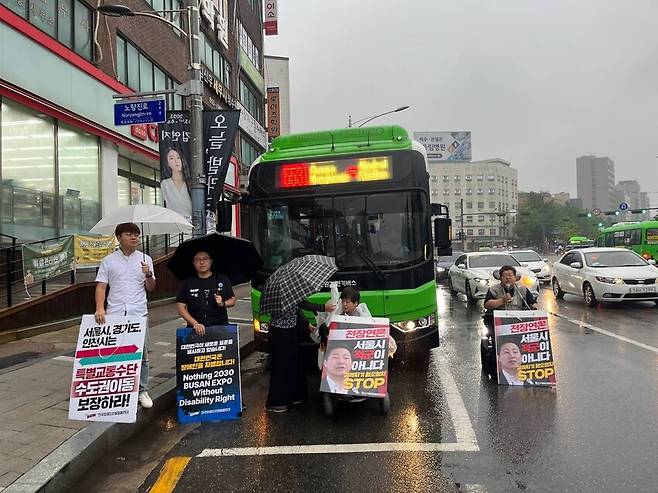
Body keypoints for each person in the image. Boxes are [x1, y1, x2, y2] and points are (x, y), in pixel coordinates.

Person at [94, 223, 156, 409]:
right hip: (115, 313)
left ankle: (142, 391)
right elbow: (101, 286)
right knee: (114, 354)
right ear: (119, 237)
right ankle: (117, 390)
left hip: (139, 313)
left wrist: (148, 274)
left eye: (137, 234)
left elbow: (151, 287)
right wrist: (99, 308)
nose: (134, 238)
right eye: (129, 234)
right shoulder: (109, 261)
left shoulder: (146, 259)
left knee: (142, 355)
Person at [266, 298, 335, 413]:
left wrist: (306, 324)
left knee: (291, 364)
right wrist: (323, 307)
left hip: (289, 331)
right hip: (280, 334)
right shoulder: (282, 288)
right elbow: (301, 304)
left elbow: (296, 309)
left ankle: (291, 397)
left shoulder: (284, 287)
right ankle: (279, 401)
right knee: (282, 366)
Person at [175, 250, 236, 336]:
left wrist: (222, 303)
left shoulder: (222, 279)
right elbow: (181, 308)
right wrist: (195, 324)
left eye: (205, 258)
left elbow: (233, 300)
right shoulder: (187, 282)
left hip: (220, 327)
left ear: (211, 261)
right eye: (197, 259)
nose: (202, 262)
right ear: (193, 263)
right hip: (195, 330)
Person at [160, 147, 192, 220]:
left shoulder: (190, 183)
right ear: (167, 163)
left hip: (191, 225)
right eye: (171, 158)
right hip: (173, 224)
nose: (176, 161)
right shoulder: (165, 184)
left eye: (178, 157)